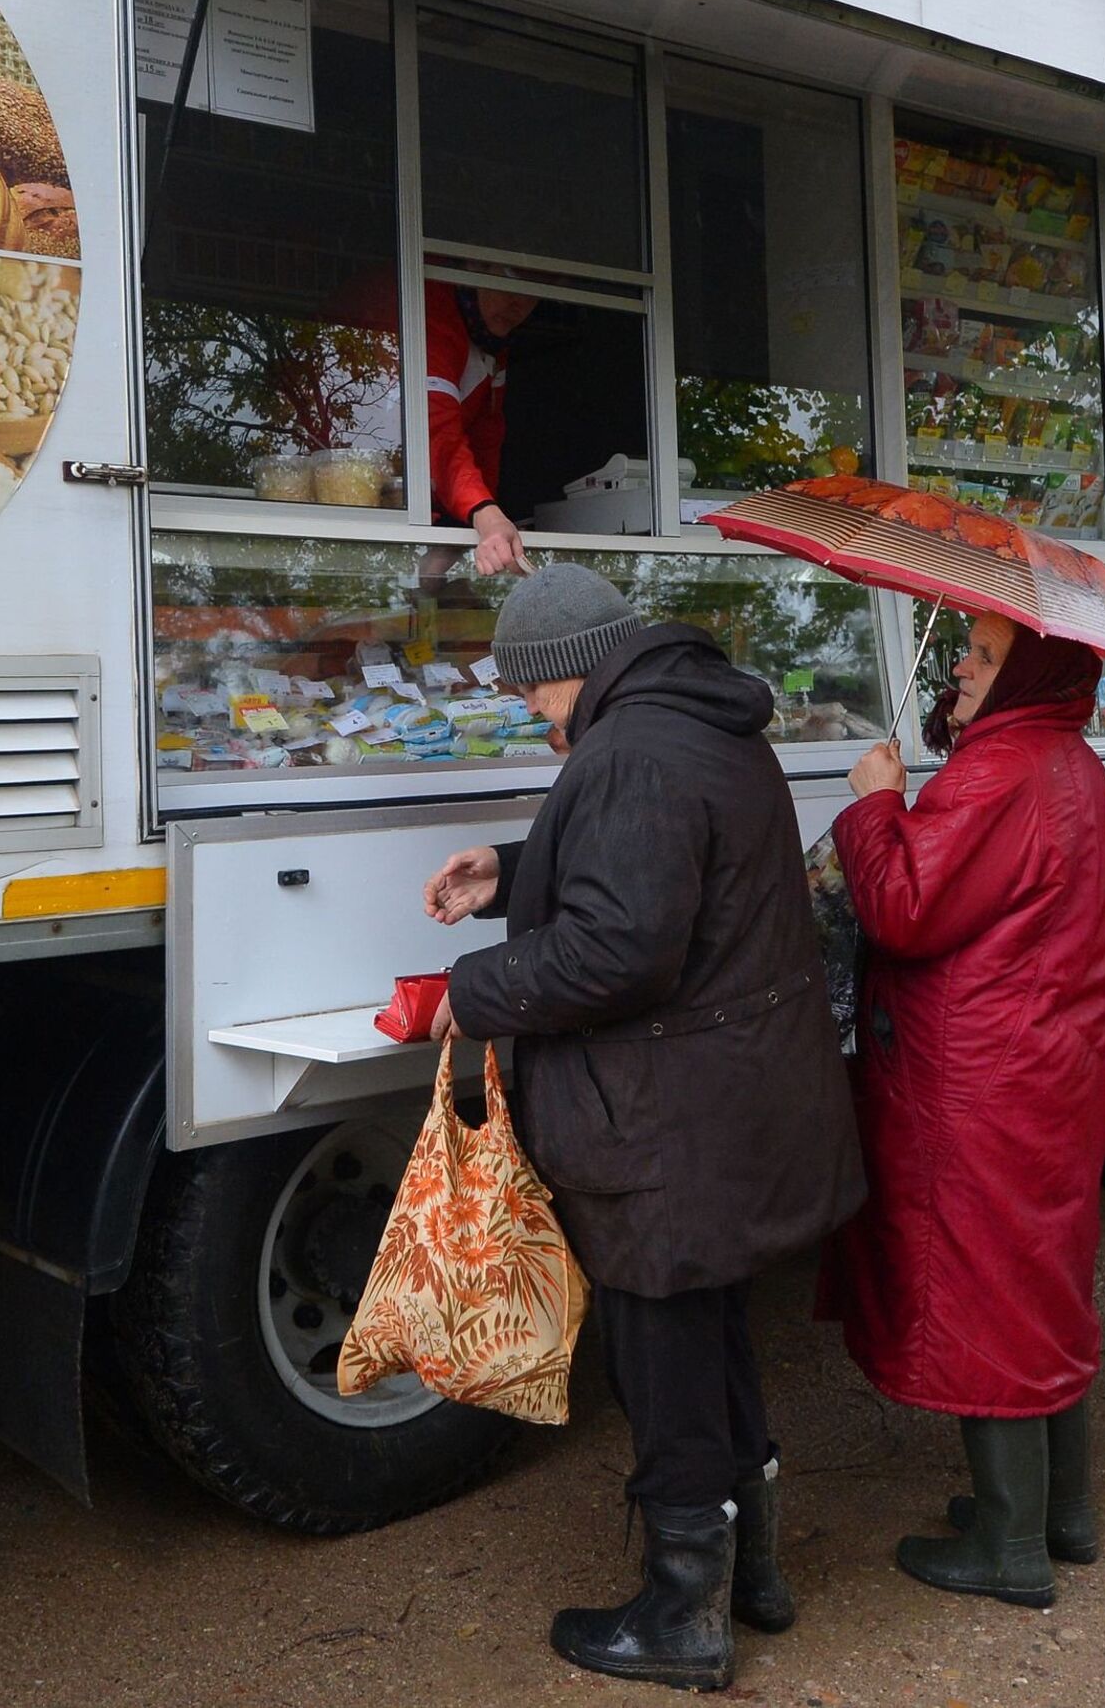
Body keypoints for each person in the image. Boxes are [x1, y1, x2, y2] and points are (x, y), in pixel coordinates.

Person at [423, 563, 863, 1692]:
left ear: (564, 667)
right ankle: (750, 1574)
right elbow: (673, 878)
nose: (529, 710)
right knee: (715, 1337)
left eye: (529, 690)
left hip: (665, 1125)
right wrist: (513, 870)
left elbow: (620, 951)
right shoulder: (706, 724)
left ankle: (682, 1613)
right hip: (729, 1107)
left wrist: (469, 989)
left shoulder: (630, 751)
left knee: (664, 1357)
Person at [823, 615, 1105, 1611]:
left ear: (1026, 672)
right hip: (1049, 1071)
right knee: (1041, 1276)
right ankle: (1060, 1510)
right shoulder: (1071, 762)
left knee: (987, 1286)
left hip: (980, 1082)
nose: (959, 661)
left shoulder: (1000, 771)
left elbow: (905, 908)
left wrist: (875, 808)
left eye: (983, 654)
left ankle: (1010, 1540)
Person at [425, 278, 536, 575]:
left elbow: (487, 439)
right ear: (475, 267)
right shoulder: (430, 307)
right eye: (510, 281)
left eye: (534, 295)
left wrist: (490, 522)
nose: (520, 303)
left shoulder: (492, 341)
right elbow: (436, 434)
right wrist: (486, 515)